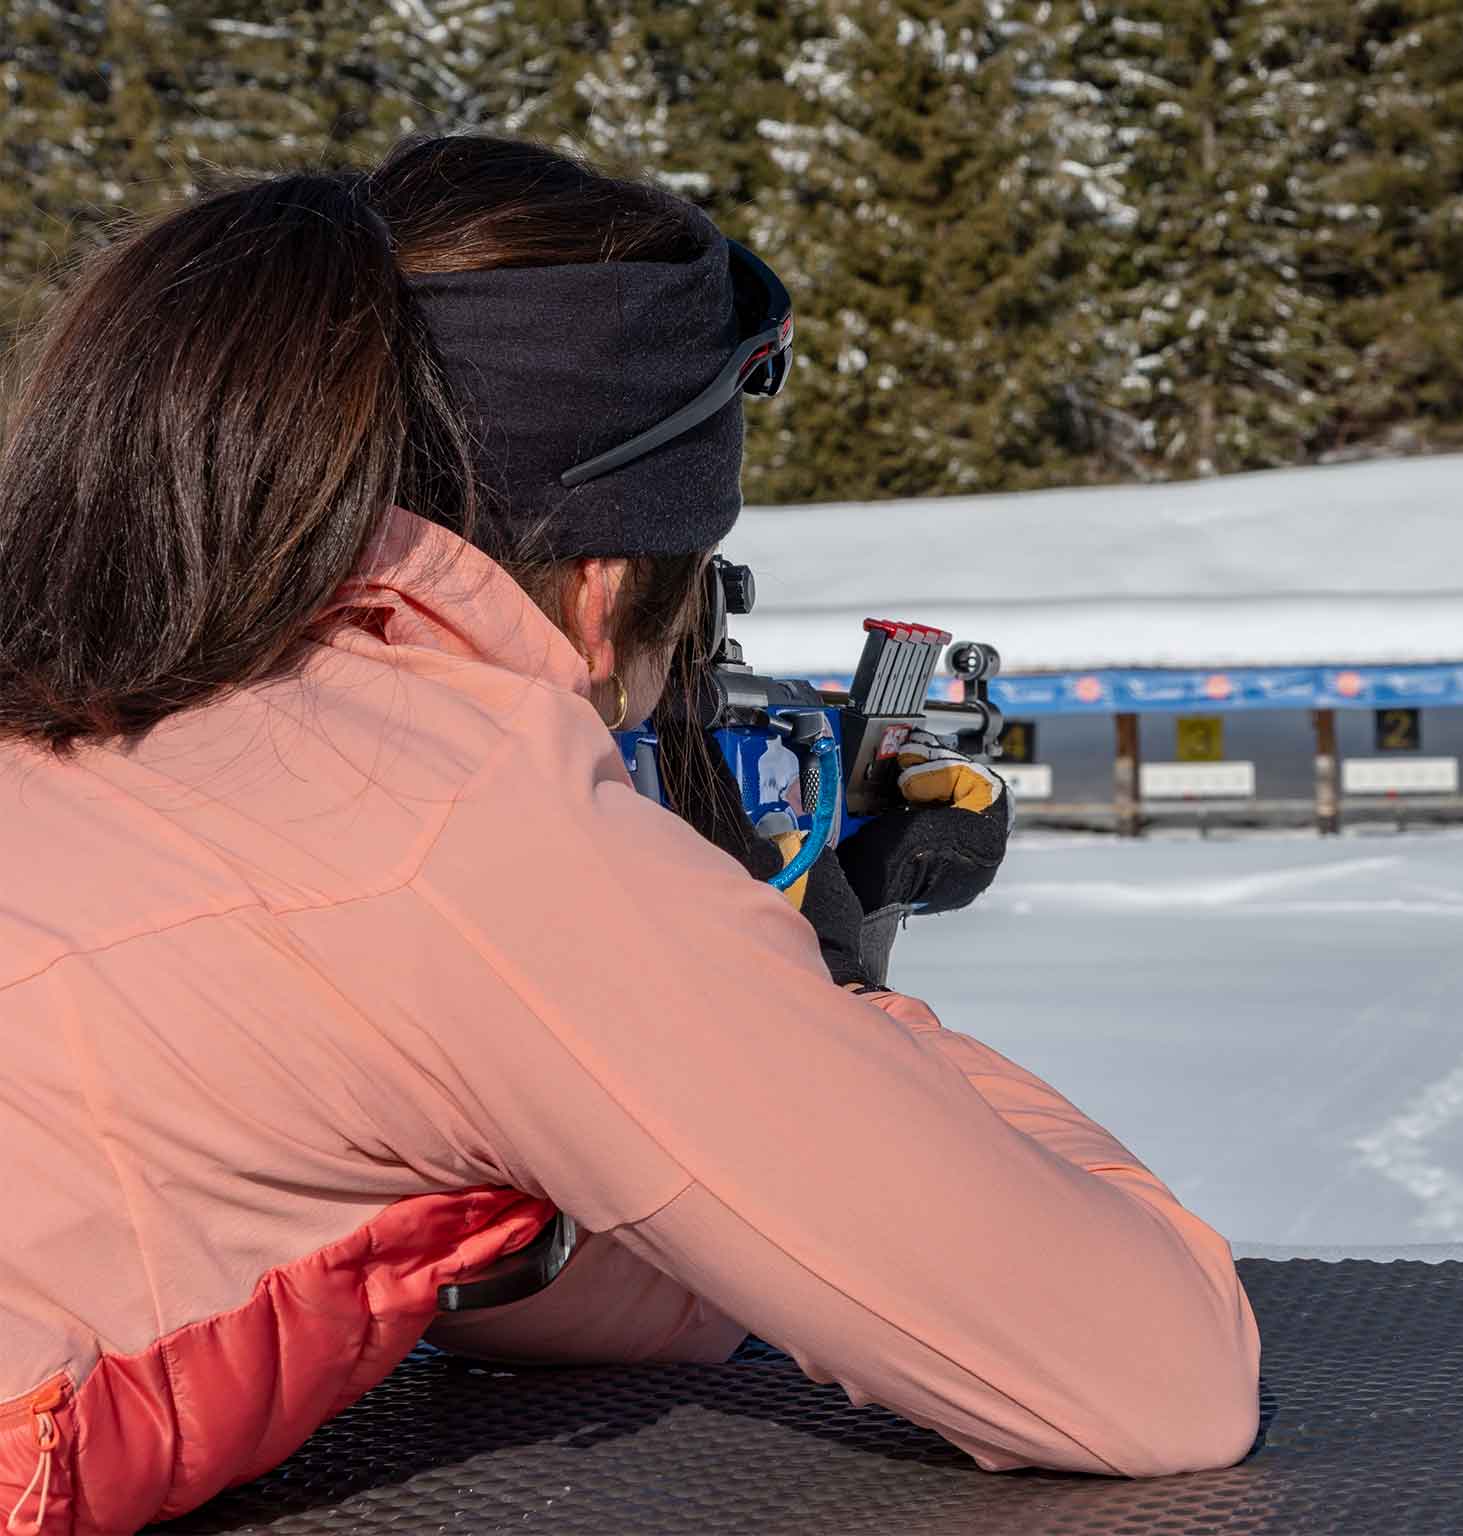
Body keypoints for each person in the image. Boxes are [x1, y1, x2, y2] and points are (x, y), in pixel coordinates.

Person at [0, 135, 1259, 1535]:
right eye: (694, 589)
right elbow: (1154, 1377)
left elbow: (578, 1293)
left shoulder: (93, 681)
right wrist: (821, 1003)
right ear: (603, 589)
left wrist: (707, 1020)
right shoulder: (465, 819)